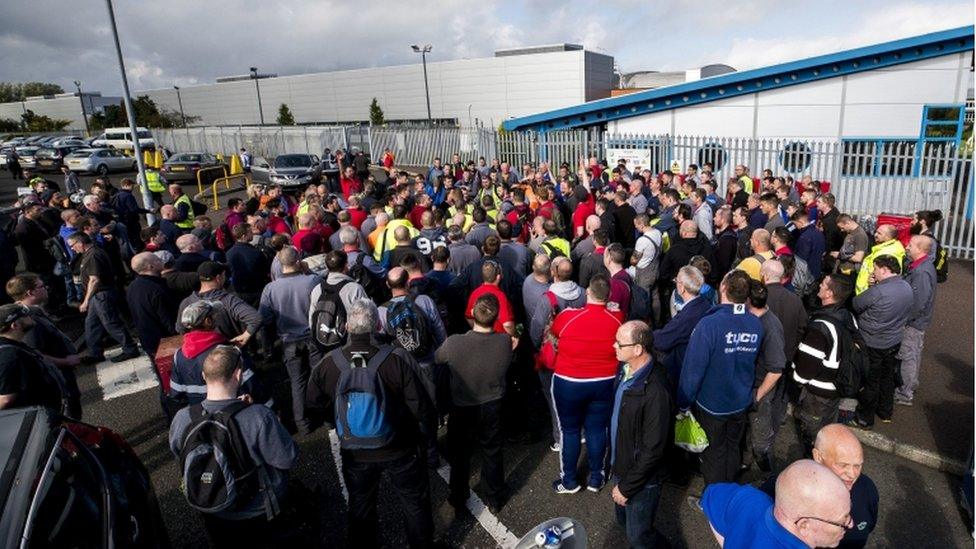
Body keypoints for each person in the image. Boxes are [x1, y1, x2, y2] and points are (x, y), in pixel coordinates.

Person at [305, 300, 434, 549]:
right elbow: (421, 405)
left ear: (345, 327)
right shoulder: (396, 358)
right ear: (377, 324)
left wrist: (338, 418)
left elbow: (313, 403)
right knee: (413, 502)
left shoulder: (329, 363)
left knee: (361, 504)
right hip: (399, 445)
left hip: (355, 449)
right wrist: (424, 438)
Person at [168, 345, 297, 548]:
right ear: (238, 375)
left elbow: (179, 454)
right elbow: (287, 458)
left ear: (204, 375)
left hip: (213, 508)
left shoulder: (183, 418)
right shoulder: (258, 416)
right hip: (259, 510)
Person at [677, 270, 763, 485]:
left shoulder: (709, 324)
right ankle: (730, 493)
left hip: (712, 404)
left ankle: (714, 502)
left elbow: (693, 369)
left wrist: (683, 402)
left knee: (713, 454)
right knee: (733, 449)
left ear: (723, 288)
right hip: (741, 401)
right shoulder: (755, 324)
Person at [436, 293, 513, 512]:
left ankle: (458, 497)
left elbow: (437, 358)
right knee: (492, 450)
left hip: (462, 406)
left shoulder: (455, 343)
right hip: (493, 404)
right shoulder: (504, 341)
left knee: (460, 455)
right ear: (496, 316)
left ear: (472, 314)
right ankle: (495, 496)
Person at [549, 275, 624, 493]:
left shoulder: (568, 316)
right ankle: (596, 477)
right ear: (608, 296)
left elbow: (554, 331)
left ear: (587, 293)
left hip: (569, 381)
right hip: (604, 382)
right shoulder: (618, 317)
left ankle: (569, 480)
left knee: (569, 430)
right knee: (597, 428)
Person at [761, 425, 879, 549]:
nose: (852, 474)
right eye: (843, 465)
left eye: (857, 466)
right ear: (818, 457)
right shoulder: (782, 487)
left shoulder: (867, 490)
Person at [610, 320, 672, 548]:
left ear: (637, 349)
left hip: (641, 480)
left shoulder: (655, 390)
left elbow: (654, 448)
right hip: (623, 467)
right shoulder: (625, 369)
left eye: (619, 343)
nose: (613, 346)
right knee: (624, 522)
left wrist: (627, 487)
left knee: (639, 535)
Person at [702, 459, 852, 549]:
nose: (851, 524)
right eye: (842, 521)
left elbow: (711, 495)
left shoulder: (748, 498)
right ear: (804, 525)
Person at [259, 246, 323, 435]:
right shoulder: (312, 280)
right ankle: (326, 415)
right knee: (319, 376)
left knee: (297, 382)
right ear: (298, 261)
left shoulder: (270, 288)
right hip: (312, 337)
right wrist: (307, 269)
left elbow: (265, 318)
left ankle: (302, 423)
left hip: (288, 340)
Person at [851, 255, 913, 429]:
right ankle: (885, 412)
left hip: (873, 342)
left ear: (884, 270)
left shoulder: (878, 291)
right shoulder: (906, 287)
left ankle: (864, 418)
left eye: (875, 268)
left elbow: (857, 304)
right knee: (888, 377)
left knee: (871, 381)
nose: (873, 272)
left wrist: (871, 287)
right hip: (894, 341)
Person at [170, 301, 268, 409]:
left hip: (201, 415)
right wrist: (269, 410)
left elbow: (176, 393)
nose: (216, 317)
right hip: (232, 412)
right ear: (208, 321)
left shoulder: (178, 356)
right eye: (214, 315)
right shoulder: (229, 353)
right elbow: (252, 386)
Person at [67, 232, 141, 363]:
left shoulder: (93, 255)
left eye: (73, 245)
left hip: (102, 294)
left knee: (111, 323)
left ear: (80, 243)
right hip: (98, 296)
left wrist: (85, 301)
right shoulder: (90, 254)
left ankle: (130, 348)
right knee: (91, 324)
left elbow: (94, 279)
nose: (72, 248)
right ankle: (94, 352)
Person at [744, 279, 786, 473]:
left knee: (761, 440)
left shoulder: (770, 326)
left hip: (760, 390)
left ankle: (767, 477)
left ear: (748, 301)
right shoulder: (753, 319)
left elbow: (777, 369)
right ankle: (745, 463)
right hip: (750, 387)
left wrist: (758, 395)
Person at [894, 235, 937, 406]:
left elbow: (919, 302)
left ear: (919, 249)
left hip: (912, 323)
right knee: (912, 354)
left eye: (911, 244)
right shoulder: (920, 267)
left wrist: (905, 320)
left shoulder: (921, 271)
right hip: (915, 321)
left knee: (907, 356)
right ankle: (910, 385)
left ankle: (905, 393)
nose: (907, 246)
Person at [0, 303, 67, 412]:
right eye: (25, 315)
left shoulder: (15, 345)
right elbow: (6, 398)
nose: (30, 316)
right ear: (15, 325)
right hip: (43, 416)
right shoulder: (9, 356)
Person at [125, 252, 178, 357]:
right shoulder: (156, 289)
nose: (161, 261)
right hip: (165, 342)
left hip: (148, 341)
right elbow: (168, 319)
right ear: (151, 266)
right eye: (157, 260)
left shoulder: (132, 287)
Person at [226, 223, 271, 306]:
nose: (253, 233)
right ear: (243, 236)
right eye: (250, 232)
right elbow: (265, 270)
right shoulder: (255, 253)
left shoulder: (229, 253)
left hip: (239, 291)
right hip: (257, 290)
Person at [855, 224, 905, 295]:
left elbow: (887, 277)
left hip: (872, 293)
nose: (875, 235)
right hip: (867, 291)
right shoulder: (881, 248)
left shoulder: (889, 253)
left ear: (888, 237)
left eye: (879, 233)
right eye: (876, 232)